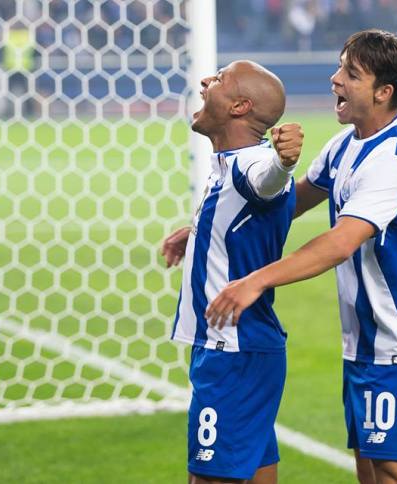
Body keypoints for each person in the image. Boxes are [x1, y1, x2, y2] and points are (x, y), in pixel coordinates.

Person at [206, 30, 397, 484]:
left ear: (383, 92)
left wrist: (256, 280)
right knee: (369, 471)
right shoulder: (344, 145)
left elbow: (339, 243)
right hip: (364, 342)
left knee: (392, 474)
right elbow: (290, 203)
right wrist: (210, 227)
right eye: (340, 67)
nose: (336, 79)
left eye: (351, 74)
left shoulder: (392, 163)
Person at [161, 60, 302, 484]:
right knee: (256, 473)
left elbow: (267, 181)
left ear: (240, 106)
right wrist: (199, 233)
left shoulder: (251, 165)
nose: (206, 80)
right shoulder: (229, 164)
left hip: (232, 352)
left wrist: (284, 162)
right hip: (242, 349)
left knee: (208, 478)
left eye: (220, 78)